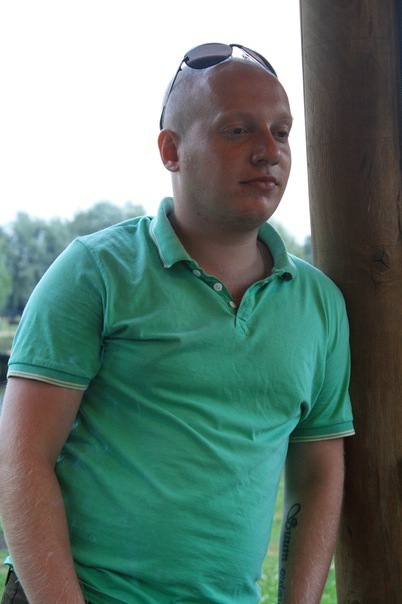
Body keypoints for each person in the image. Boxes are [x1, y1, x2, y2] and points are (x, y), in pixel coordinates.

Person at [0, 43, 354, 604]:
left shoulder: (320, 304)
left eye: (281, 132)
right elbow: (21, 457)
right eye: (237, 130)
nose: (269, 152)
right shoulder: (96, 271)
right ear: (171, 150)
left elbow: (318, 473)